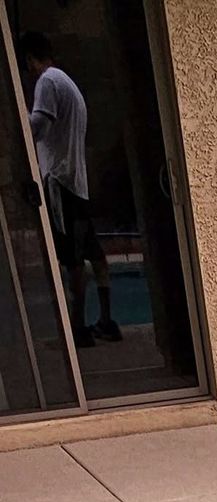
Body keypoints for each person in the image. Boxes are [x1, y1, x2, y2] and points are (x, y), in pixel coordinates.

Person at [19, 30, 121, 349]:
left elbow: (38, 127)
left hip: (60, 181)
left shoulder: (48, 82)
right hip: (77, 182)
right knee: (94, 253)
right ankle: (106, 319)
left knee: (72, 258)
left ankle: (77, 328)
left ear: (29, 59)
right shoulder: (67, 82)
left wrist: (20, 121)